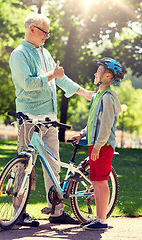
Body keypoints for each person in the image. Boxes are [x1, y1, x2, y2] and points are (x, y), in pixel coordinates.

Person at [9, 12, 93, 227]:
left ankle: (56, 211)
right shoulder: (19, 55)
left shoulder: (44, 53)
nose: (47, 36)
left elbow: (60, 78)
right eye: (44, 32)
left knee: (53, 165)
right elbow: (27, 83)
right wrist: (51, 76)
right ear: (32, 30)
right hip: (29, 118)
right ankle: (18, 213)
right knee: (25, 165)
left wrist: (84, 93)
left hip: (50, 119)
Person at [71, 57, 125, 230]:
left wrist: (99, 145)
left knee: (101, 182)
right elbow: (94, 121)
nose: (95, 73)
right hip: (96, 145)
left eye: (99, 71)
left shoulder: (108, 98)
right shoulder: (98, 96)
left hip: (103, 146)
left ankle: (102, 220)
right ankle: (98, 218)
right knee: (95, 181)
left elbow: (106, 125)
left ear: (108, 76)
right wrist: (83, 134)